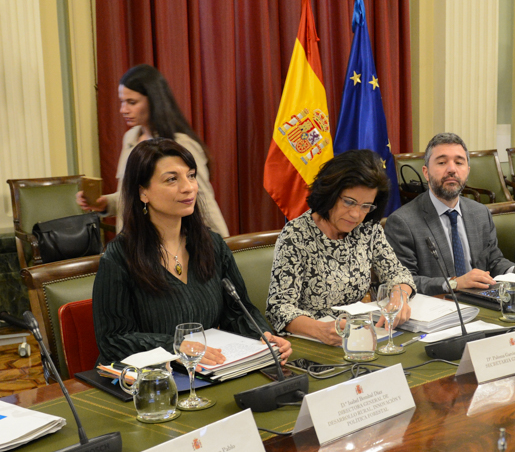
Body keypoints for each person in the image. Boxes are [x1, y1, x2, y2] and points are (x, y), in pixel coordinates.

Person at [92, 138, 291, 366]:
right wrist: (175, 347)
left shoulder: (212, 244)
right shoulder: (120, 256)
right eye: (172, 179)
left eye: (191, 176)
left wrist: (263, 337)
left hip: (208, 370)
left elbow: (237, 312)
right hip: (151, 378)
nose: (188, 187)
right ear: (143, 192)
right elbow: (113, 339)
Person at [265, 150, 415, 345]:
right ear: (331, 194)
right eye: (349, 202)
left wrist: (399, 297)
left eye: (366, 206)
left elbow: (398, 273)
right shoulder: (296, 235)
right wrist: (319, 330)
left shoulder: (367, 228)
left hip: (358, 335)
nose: (356, 214)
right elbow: (279, 308)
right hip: (312, 340)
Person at [76, 64, 229, 237]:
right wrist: (105, 204)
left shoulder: (181, 144)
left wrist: (226, 245)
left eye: (132, 102)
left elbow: (203, 201)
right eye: (122, 102)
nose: (123, 110)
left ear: (153, 101)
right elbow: (137, 193)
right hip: (131, 243)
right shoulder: (130, 138)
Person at [384, 133, 515, 296]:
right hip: (438, 304)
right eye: (442, 162)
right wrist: (454, 283)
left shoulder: (480, 213)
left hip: (482, 302)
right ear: (426, 172)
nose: (452, 169)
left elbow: (494, 261)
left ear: (467, 171)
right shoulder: (402, 222)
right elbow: (404, 281)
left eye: (459, 163)